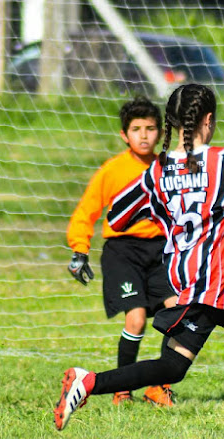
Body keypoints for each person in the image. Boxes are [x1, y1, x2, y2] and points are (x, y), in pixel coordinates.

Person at [55, 84, 224, 439]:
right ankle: (88, 382)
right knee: (172, 367)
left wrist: (166, 208)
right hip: (204, 285)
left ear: (168, 124)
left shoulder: (159, 170)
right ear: (209, 120)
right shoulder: (223, 163)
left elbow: (118, 215)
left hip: (193, 280)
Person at [66, 96, 177, 406]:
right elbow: (87, 210)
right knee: (137, 319)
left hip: (160, 251)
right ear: (124, 135)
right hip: (122, 252)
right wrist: (79, 249)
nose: (144, 135)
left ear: (161, 133)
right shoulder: (112, 170)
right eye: (136, 129)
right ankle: (122, 389)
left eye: (151, 128)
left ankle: (158, 387)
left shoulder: (167, 169)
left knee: (179, 311)